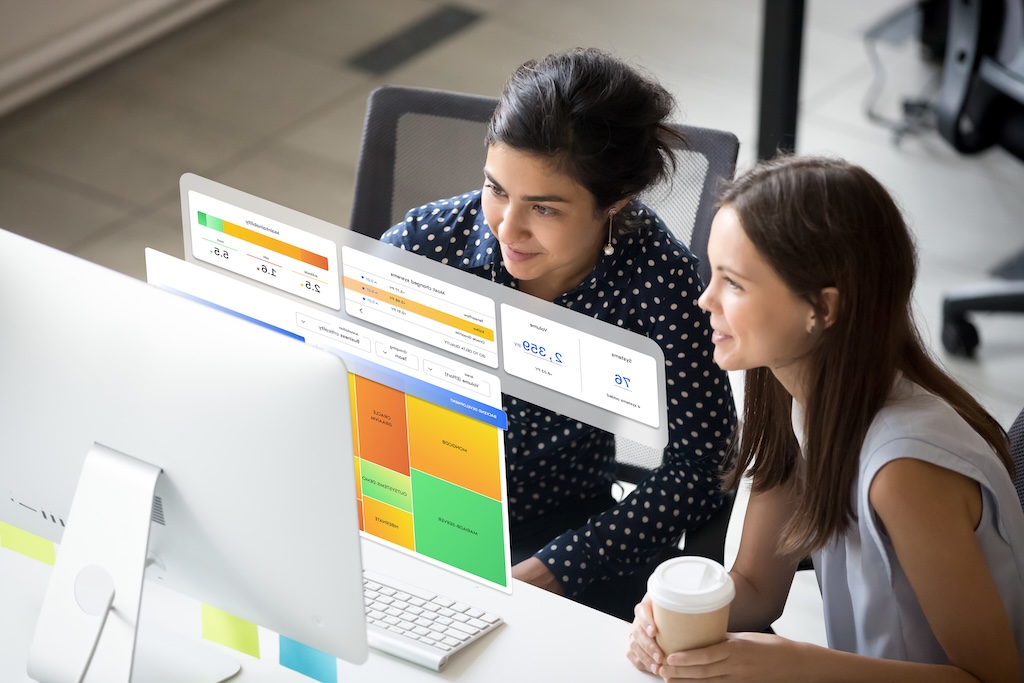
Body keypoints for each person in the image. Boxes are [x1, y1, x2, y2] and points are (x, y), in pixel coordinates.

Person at [627, 155, 1024, 680]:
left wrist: (799, 664)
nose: (705, 299)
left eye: (735, 284)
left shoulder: (903, 470)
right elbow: (757, 590)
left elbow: (994, 678)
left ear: (822, 309)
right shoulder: (791, 393)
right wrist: (668, 616)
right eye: (712, 274)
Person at [380, 47, 736, 619]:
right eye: (497, 189)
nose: (507, 228)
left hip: (562, 526)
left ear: (614, 204)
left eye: (544, 209)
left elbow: (704, 464)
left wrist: (562, 565)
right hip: (406, 502)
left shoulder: (659, 282)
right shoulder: (425, 247)